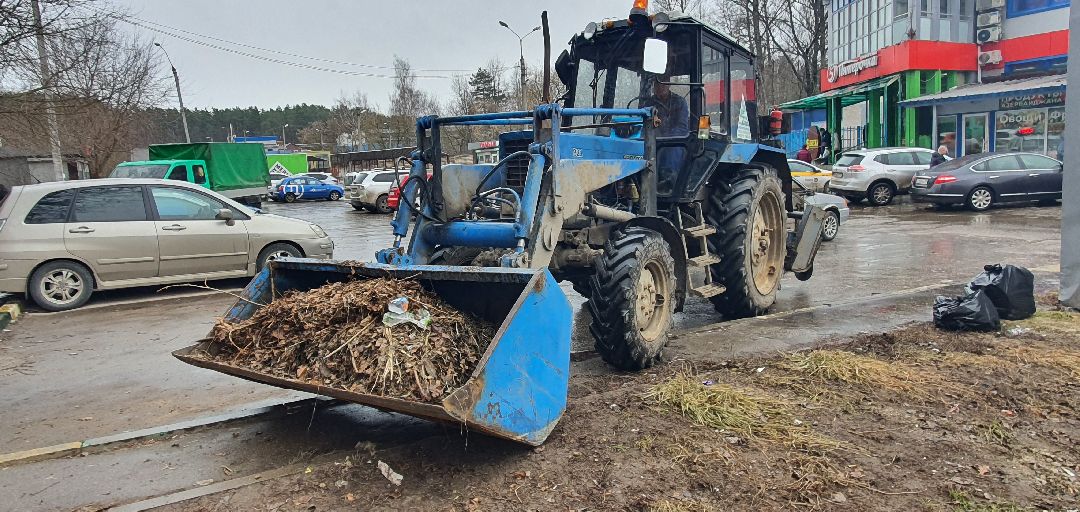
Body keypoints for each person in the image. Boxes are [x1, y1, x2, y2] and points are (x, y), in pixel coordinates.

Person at [642, 76, 690, 193]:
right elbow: (643, 122)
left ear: (669, 85)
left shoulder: (679, 102)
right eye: (657, 84)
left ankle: (668, 180)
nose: (660, 87)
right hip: (652, 138)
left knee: (672, 148)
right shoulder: (649, 103)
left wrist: (665, 137)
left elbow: (682, 127)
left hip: (673, 140)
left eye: (663, 84)